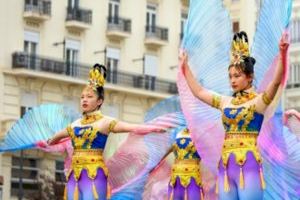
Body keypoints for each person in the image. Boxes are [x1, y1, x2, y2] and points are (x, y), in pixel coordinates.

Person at [180, 31, 289, 200]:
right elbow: (199, 92)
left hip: (248, 167)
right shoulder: (225, 102)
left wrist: (283, 54)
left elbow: (275, 82)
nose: (232, 80)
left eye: (237, 76)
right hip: (225, 167)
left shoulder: (258, 103)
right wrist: (185, 67)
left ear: (250, 77)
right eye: (230, 76)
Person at [45, 64, 165, 200]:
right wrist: (49, 141)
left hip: (94, 174)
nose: (84, 99)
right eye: (82, 97)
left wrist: (152, 128)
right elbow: (56, 137)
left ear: (99, 101)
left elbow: (131, 127)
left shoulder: (105, 122)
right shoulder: (75, 124)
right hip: (75, 174)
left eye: (89, 97)